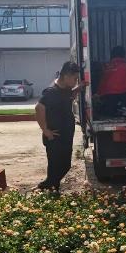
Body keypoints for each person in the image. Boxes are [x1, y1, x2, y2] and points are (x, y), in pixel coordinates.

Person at [35, 61, 81, 192]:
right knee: (56, 165)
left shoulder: (65, 88)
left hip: (65, 135)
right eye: (75, 78)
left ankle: (51, 184)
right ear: (66, 76)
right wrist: (45, 130)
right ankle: (50, 187)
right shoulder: (51, 91)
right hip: (55, 136)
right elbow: (39, 108)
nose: (76, 81)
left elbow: (67, 97)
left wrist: (78, 89)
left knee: (65, 165)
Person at [97, 45, 126, 116]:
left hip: (103, 97)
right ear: (123, 54)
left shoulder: (106, 65)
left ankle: (117, 108)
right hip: (121, 96)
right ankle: (124, 108)